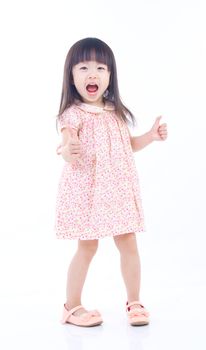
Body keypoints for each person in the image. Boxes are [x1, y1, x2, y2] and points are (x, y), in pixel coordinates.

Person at [55, 37, 168, 327]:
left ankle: (134, 301)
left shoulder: (114, 112)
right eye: (83, 67)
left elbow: (126, 144)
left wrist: (151, 137)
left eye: (100, 68)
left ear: (110, 76)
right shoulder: (73, 114)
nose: (92, 74)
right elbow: (66, 143)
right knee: (87, 247)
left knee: (129, 242)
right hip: (89, 191)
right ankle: (71, 306)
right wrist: (69, 150)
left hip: (117, 188)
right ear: (71, 75)